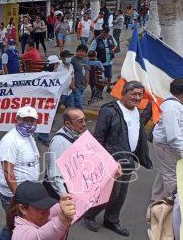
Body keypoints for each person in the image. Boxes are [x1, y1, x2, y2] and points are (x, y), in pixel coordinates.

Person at [83, 81, 153, 237]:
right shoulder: (110, 110)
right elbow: (99, 137)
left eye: (140, 95)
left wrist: (152, 103)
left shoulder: (135, 110)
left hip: (128, 159)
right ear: (124, 93)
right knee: (110, 193)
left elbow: (140, 125)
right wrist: (102, 160)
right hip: (112, 160)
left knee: (121, 194)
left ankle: (111, 220)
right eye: (133, 94)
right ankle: (89, 214)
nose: (137, 97)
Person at [0, 106, 41, 240]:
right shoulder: (11, 140)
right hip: (14, 194)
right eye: (25, 120)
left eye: (32, 121)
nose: (29, 124)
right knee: (16, 225)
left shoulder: (28, 136)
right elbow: (7, 171)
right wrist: (19, 197)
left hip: (25, 192)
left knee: (18, 224)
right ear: (17, 120)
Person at [6, 181, 76, 240]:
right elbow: (39, 237)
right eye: (39, 208)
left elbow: (72, 207)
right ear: (23, 209)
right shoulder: (20, 234)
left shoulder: (45, 213)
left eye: (47, 205)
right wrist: (63, 219)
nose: (47, 213)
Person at [150, 78, 183, 200]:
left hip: (165, 145)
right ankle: (170, 206)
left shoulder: (173, 104)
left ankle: (156, 200)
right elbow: (173, 137)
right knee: (171, 176)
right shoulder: (172, 107)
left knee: (163, 171)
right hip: (167, 147)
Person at [45, 108, 88, 198]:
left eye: (85, 120)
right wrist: (64, 196)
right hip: (60, 191)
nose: (84, 124)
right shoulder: (59, 143)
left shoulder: (77, 134)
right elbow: (54, 175)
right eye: (80, 121)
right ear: (68, 123)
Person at [70, 44, 89, 110]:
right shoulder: (73, 60)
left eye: (83, 51)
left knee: (76, 100)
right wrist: (73, 84)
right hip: (76, 85)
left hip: (83, 84)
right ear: (76, 51)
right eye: (80, 51)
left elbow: (87, 70)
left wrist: (87, 80)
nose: (81, 53)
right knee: (78, 102)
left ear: (86, 52)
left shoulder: (86, 59)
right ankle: (81, 116)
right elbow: (71, 73)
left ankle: (74, 115)